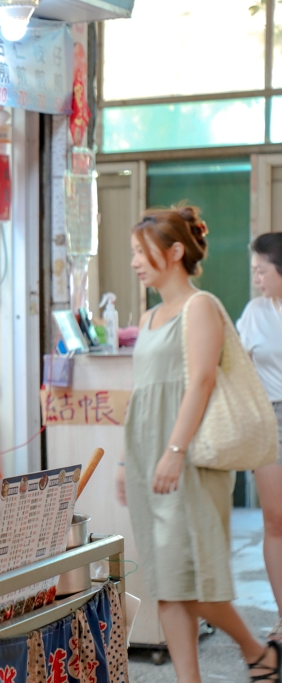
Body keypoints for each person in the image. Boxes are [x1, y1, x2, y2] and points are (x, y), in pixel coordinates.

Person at [117, 205, 280, 682]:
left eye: (141, 252)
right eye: (131, 253)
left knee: (198, 580)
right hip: (150, 455)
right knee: (167, 584)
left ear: (175, 251)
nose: (134, 262)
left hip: (186, 455)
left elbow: (202, 381)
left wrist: (174, 450)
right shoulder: (148, 319)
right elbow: (142, 395)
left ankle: (256, 650)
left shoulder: (200, 306)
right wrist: (129, 461)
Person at [238, 233, 282, 642]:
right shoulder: (254, 312)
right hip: (269, 417)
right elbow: (240, 367)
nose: (256, 279)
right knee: (275, 520)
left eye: (261, 271)